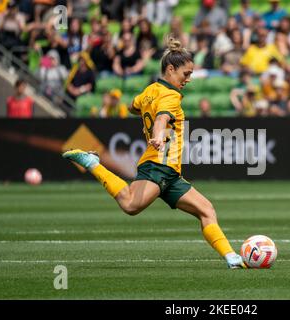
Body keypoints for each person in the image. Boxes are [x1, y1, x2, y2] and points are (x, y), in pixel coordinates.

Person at [62, 37, 246, 269]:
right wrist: (158, 135)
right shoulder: (171, 95)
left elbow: (133, 106)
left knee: (206, 210)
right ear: (171, 69)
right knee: (130, 205)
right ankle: (92, 163)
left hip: (171, 172)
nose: (188, 79)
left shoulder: (150, 90)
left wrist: (147, 113)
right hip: (158, 164)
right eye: (185, 74)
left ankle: (232, 258)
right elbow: (162, 118)